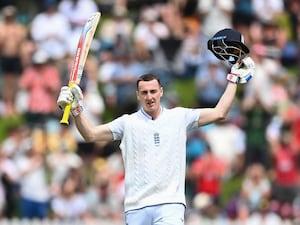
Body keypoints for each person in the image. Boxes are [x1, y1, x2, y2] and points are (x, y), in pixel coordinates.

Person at [57, 29, 255, 225]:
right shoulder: (127, 122)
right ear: (138, 95)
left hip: (169, 204)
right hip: (136, 206)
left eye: (153, 91)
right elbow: (90, 134)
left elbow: (220, 112)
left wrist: (233, 79)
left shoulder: (179, 116)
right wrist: (76, 109)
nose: (149, 97)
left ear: (161, 92)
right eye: (144, 93)